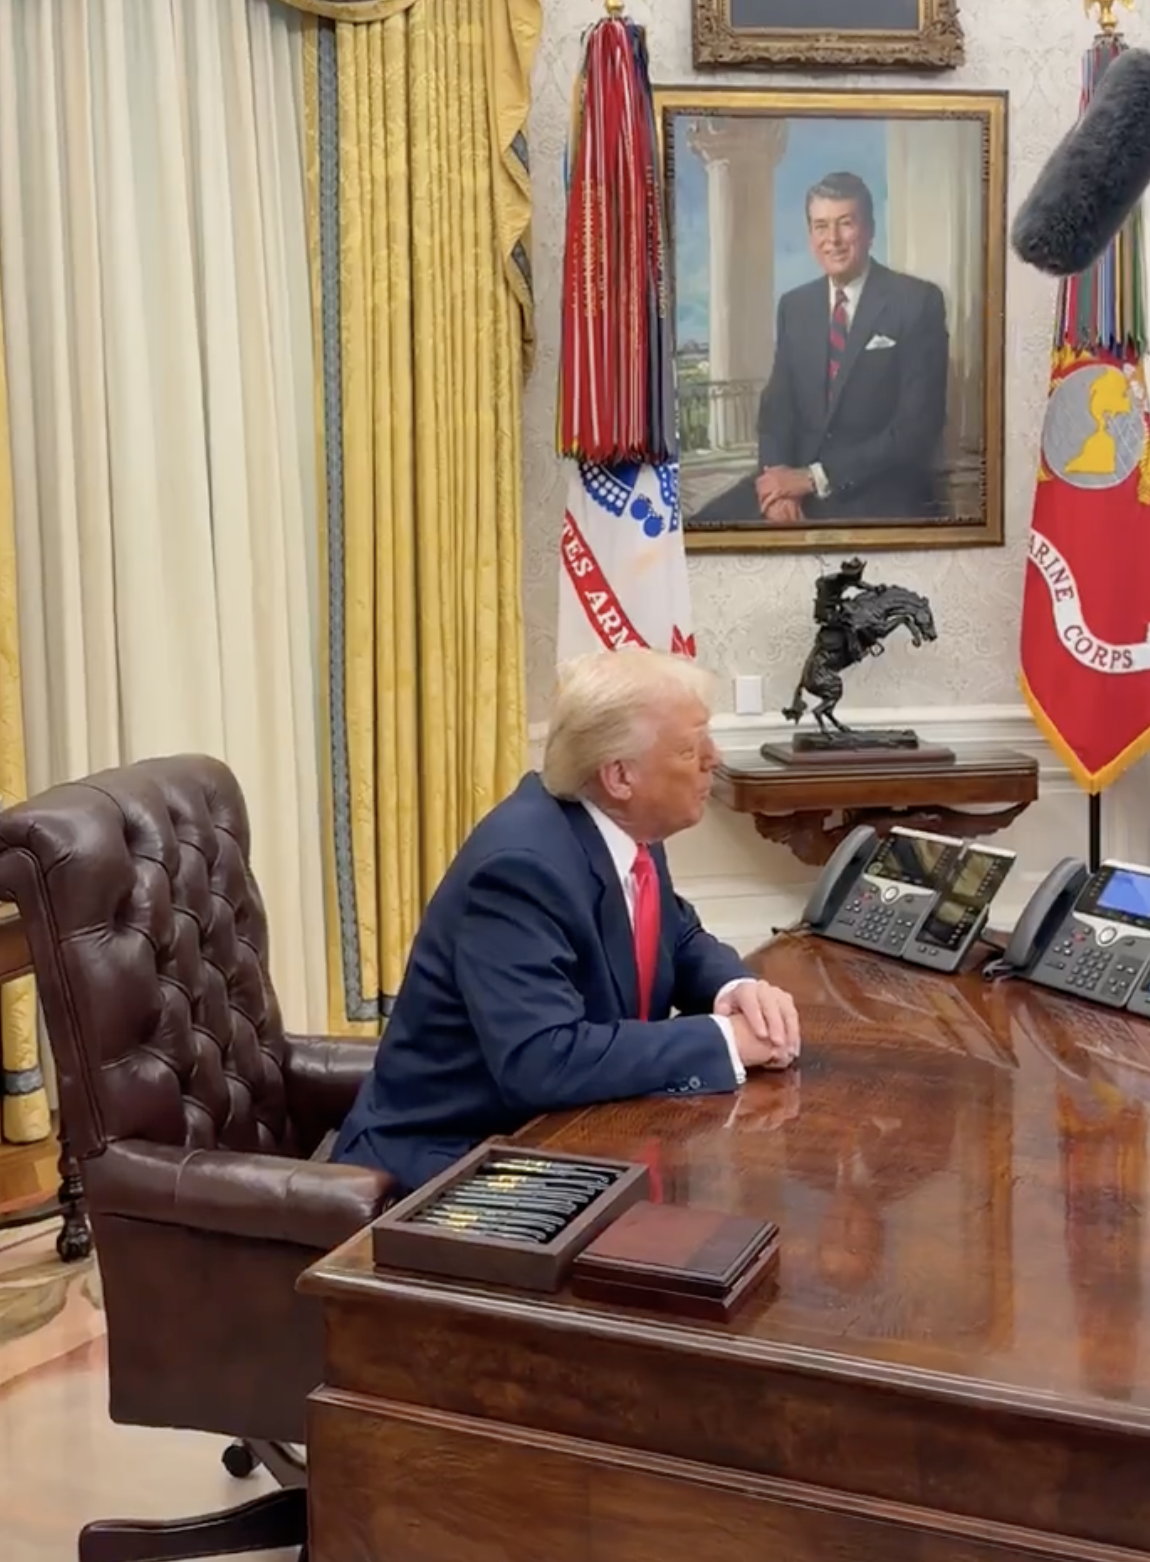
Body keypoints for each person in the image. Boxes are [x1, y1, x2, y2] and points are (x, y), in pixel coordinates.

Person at [331, 649, 801, 1193]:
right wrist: (722, 1041)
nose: (713, 758)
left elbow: (678, 933)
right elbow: (543, 1059)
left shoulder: (624, 829)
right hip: (451, 1166)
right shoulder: (522, 868)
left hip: (566, 1141)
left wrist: (736, 989)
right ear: (620, 775)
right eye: (689, 747)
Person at [692, 171, 949, 528]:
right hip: (793, 482)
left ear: (870, 230)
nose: (833, 240)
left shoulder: (917, 302)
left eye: (846, 223)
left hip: (875, 488)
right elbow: (776, 410)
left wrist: (813, 478)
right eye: (820, 226)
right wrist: (780, 484)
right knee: (695, 531)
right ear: (810, 234)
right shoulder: (795, 306)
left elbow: (915, 428)